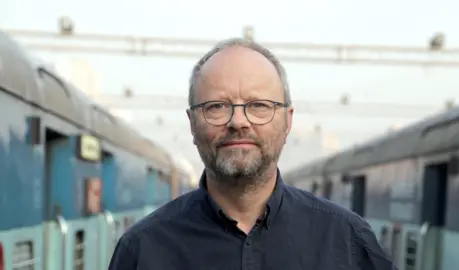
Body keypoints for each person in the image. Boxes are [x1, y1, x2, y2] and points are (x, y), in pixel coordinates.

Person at [108, 38, 397, 270]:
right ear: (192, 124)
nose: (238, 121)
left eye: (259, 105)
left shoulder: (348, 239)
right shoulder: (141, 250)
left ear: (287, 121)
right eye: (217, 106)